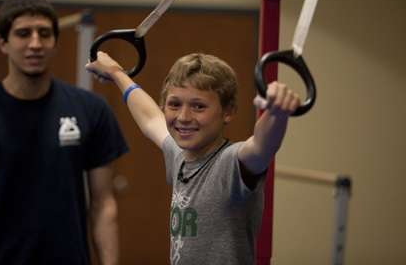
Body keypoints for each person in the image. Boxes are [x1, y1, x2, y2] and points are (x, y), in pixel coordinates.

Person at [0, 0, 129, 265]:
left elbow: (103, 204)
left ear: (54, 42)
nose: (35, 43)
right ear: (3, 42)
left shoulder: (90, 109)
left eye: (44, 34)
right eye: (24, 33)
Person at [86, 52, 300, 264]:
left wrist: (276, 114)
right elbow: (150, 118)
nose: (183, 117)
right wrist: (116, 72)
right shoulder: (179, 154)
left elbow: (262, 145)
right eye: (174, 104)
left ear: (228, 112)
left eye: (199, 106)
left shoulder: (230, 164)